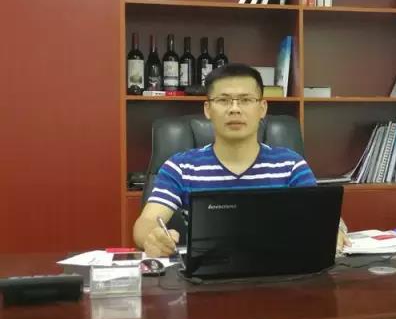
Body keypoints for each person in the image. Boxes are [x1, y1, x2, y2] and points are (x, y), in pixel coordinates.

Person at [134, 63, 349, 257]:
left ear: (262, 108)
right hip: (206, 276)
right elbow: (146, 222)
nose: (235, 109)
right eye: (223, 100)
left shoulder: (290, 165)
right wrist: (152, 238)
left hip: (280, 274)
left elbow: (321, 216)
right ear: (208, 109)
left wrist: (335, 229)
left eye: (246, 100)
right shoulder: (181, 167)